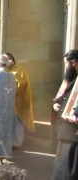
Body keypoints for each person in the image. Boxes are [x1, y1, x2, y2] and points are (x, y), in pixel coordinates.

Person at [51, 50, 78, 180]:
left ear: (73, 63)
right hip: (65, 128)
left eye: (66, 63)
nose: (65, 66)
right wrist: (56, 103)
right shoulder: (69, 78)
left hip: (74, 130)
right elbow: (62, 95)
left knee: (70, 167)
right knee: (61, 165)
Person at [5, 52, 35, 147]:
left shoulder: (20, 70)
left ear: (11, 60)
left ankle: (16, 143)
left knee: (17, 123)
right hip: (7, 101)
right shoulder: (6, 70)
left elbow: (22, 85)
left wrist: (9, 93)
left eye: (7, 59)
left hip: (17, 101)